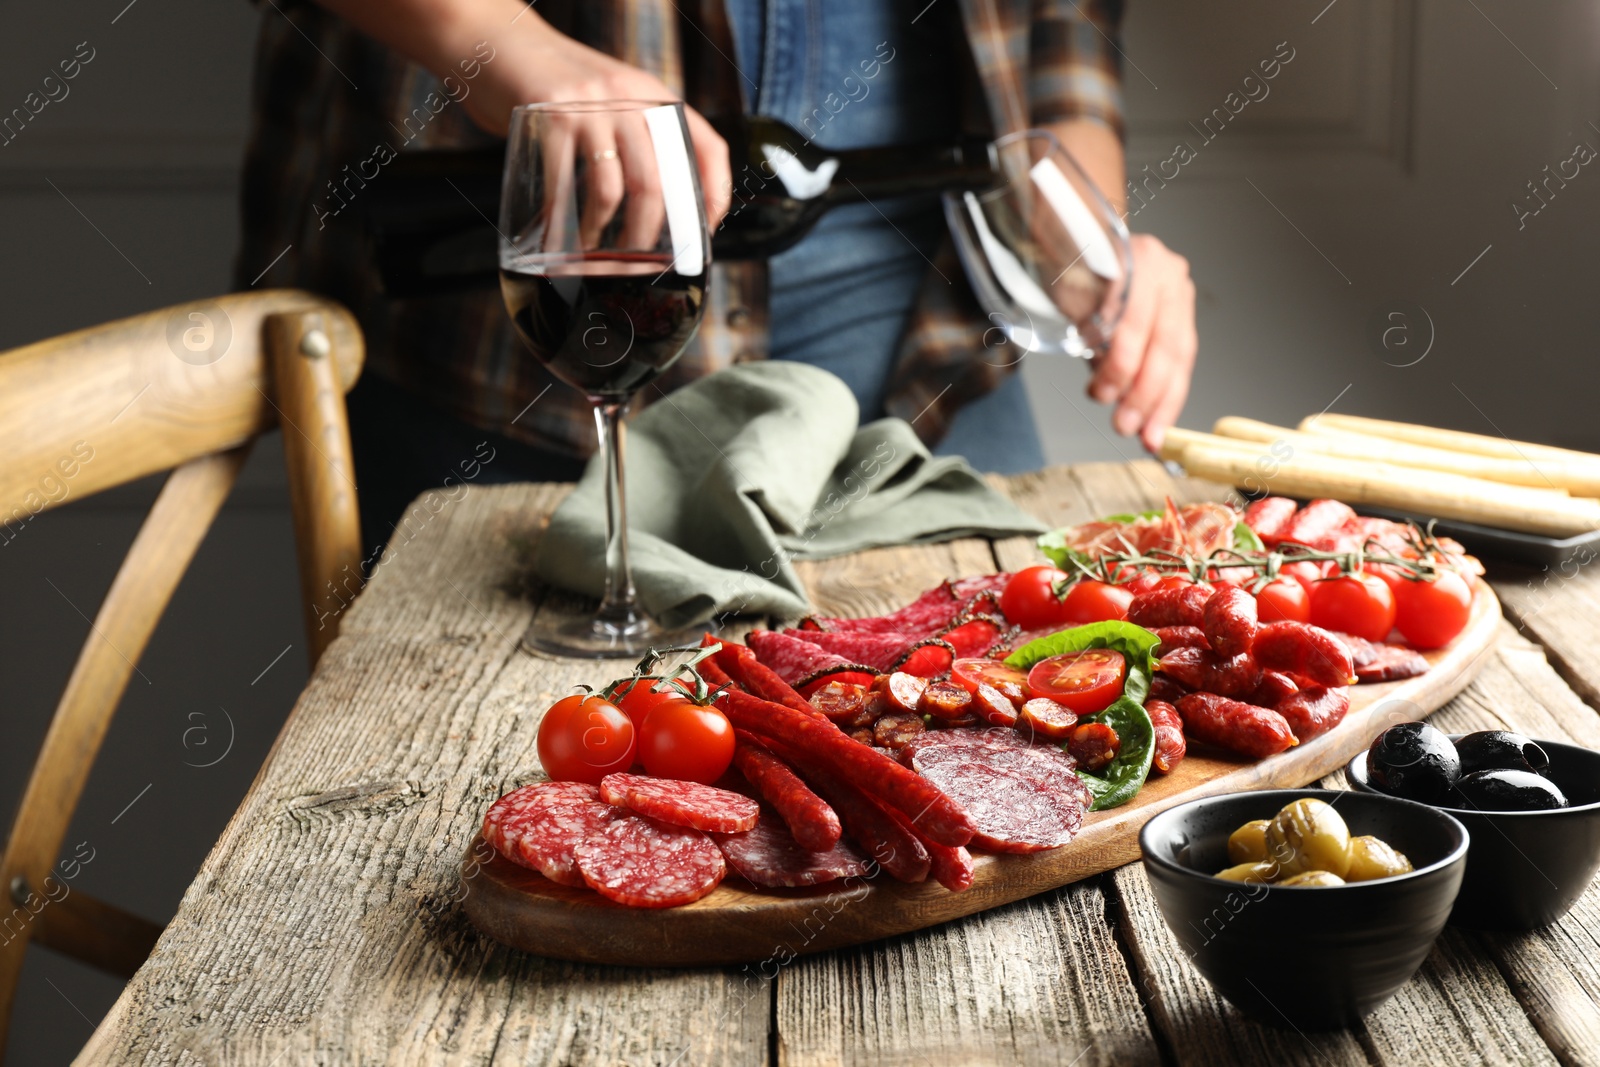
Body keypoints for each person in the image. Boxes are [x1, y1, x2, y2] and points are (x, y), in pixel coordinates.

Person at [238, 0, 1197, 563]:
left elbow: (1061, 21)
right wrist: (510, 49)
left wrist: (1079, 232)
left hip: (924, 316)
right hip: (507, 339)